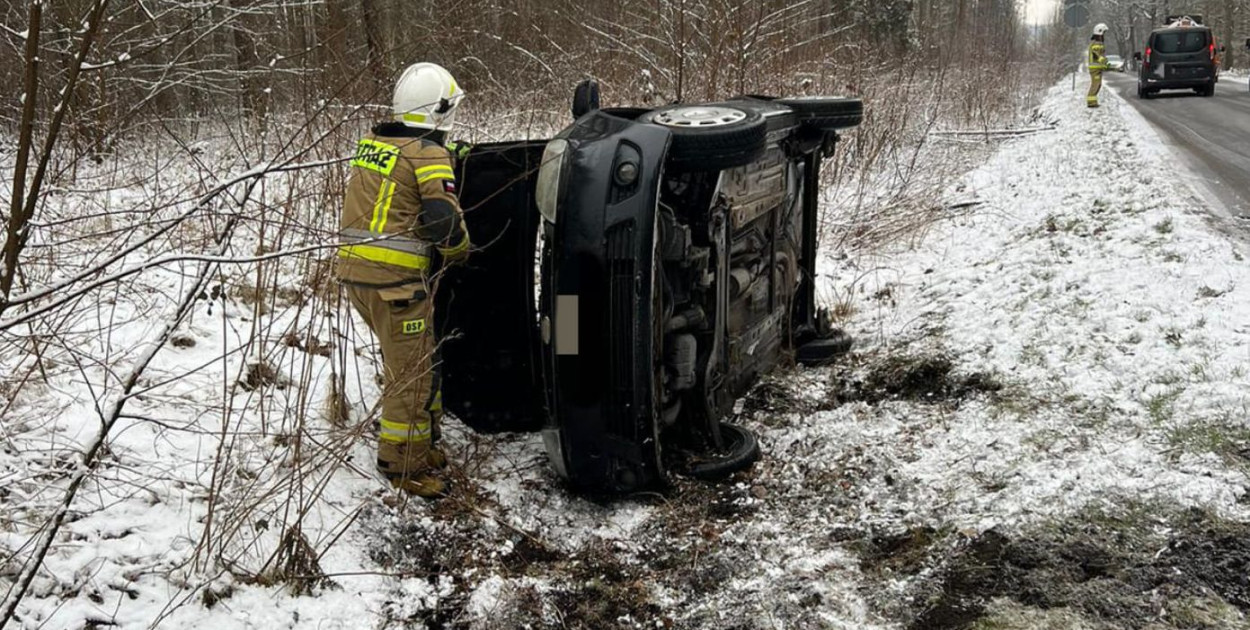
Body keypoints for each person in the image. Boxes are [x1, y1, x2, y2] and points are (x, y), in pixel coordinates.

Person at [337, 62, 471, 498]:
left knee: (416, 361)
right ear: (440, 110)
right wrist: (459, 251)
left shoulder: (373, 145)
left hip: (359, 279)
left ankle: (424, 442)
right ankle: (403, 467)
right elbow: (441, 219)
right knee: (409, 376)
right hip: (396, 285)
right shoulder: (429, 154)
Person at [1087, 24, 1110, 108]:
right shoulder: (1096, 44)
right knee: (1095, 84)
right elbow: (1096, 55)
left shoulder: (1098, 43)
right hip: (1095, 69)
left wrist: (1105, 62)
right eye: (1104, 32)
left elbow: (1101, 55)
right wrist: (1104, 62)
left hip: (1097, 68)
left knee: (1098, 84)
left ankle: (1093, 101)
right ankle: (1091, 102)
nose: (1104, 35)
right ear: (1100, 32)